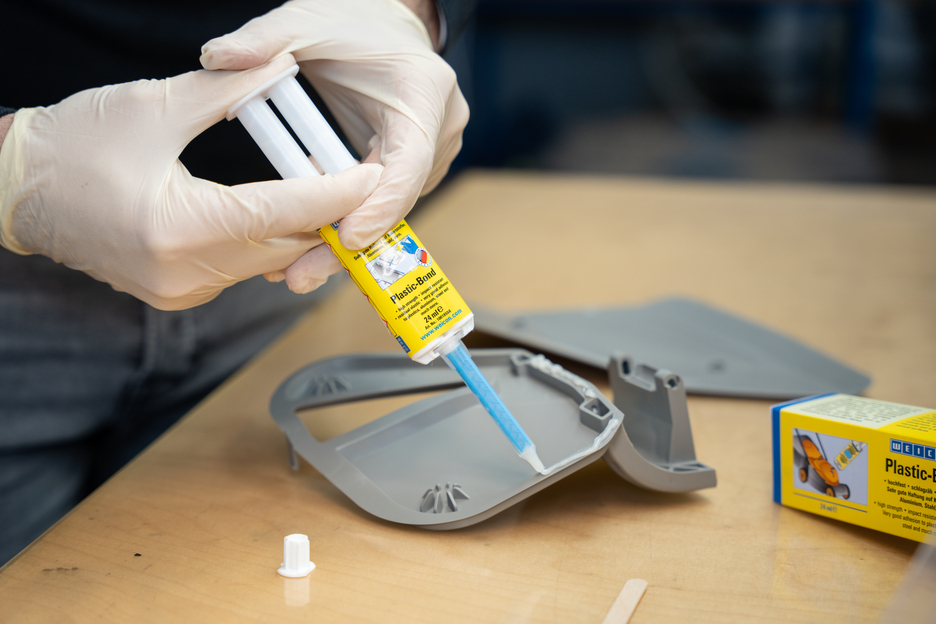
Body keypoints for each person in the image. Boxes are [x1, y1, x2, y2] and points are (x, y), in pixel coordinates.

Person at [0, 0, 476, 565]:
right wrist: (17, 166)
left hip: (277, 265)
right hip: (15, 311)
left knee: (238, 568)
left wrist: (402, 11)